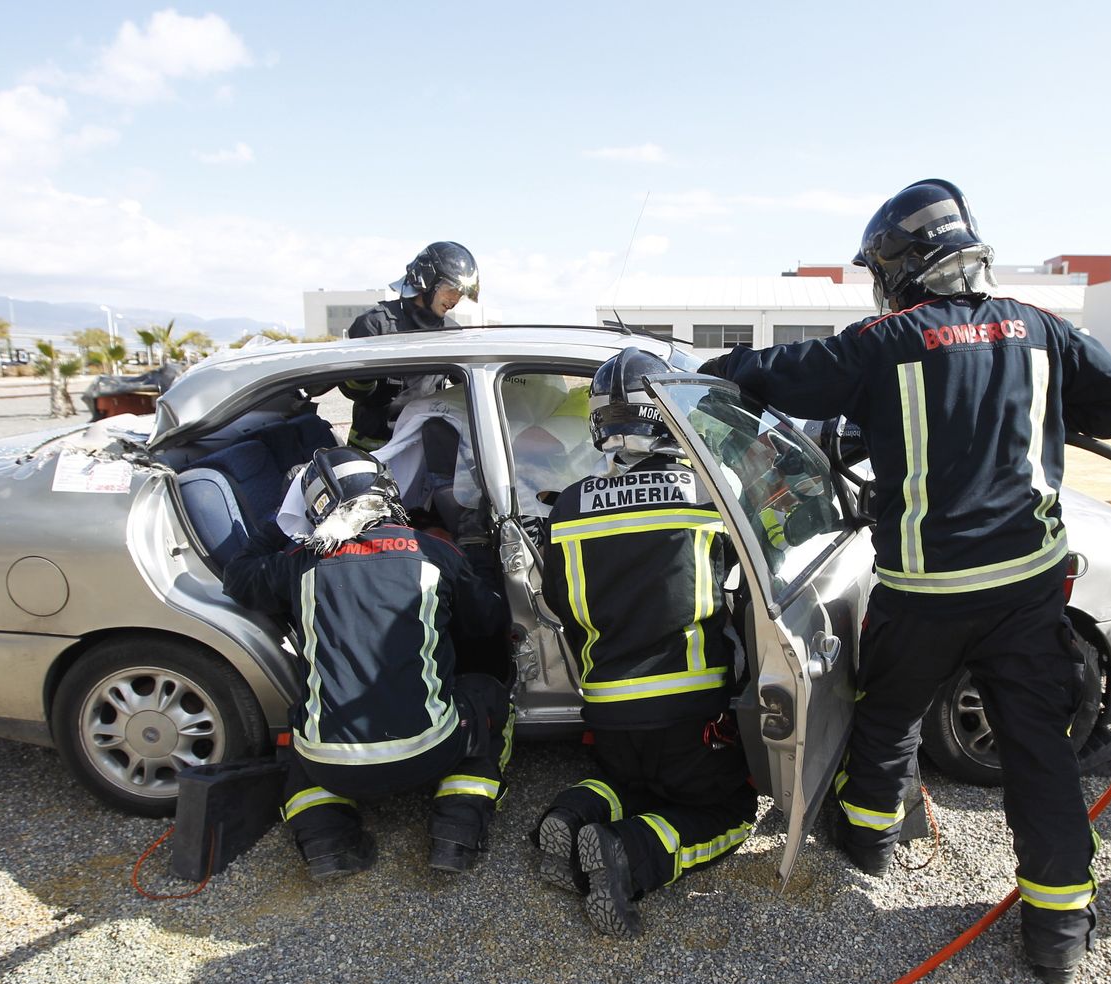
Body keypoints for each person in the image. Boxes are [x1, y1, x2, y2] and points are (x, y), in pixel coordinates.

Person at [701, 180, 1111, 984]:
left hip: (926, 589)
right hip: (1026, 586)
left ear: (901, 265)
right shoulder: (1042, 327)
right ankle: (1057, 925)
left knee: (888, 716)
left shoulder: (883, 340)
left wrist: (715, 367)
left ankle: (867, 840)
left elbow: (776, 374)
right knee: (1039, 748)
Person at [531, 347, 757, 938]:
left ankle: (574, 811)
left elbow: (559, 602)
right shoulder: (711, 492)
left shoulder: (571, 505)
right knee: (727, 808)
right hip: (689, 708)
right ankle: (629, 854)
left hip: (608, 710)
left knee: (629, 782)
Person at [222, 445, 514, 879]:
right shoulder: (434, 553)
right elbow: (488, 625)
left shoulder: (300, 564)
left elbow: (238, 577)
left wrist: (275, 525)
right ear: (388, 489)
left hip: (331, 766)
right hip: (428, 754)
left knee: (304, 723)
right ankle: (457, 827)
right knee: (487, 694)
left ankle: (326, 840)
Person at [339, 241, 481, 450]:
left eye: (460, 294)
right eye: (452, 290)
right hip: (373, 453)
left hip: (422, 451)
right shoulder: (376, 325)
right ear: (427, 282)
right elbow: (353, 391)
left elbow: (466, 390)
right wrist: (365, 372)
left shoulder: (452, 333)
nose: (455, 300)